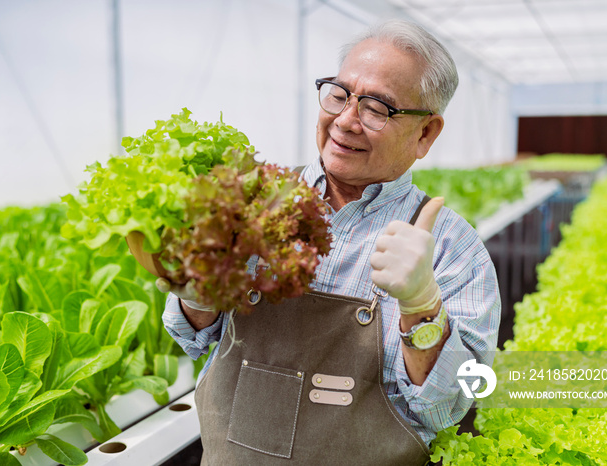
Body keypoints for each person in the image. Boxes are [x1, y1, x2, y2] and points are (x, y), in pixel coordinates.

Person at [160, 19, 500, 465]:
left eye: (377, 108)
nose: (345, 120)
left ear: (426, 133)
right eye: (339, 95)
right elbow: (192, 338)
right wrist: (198, 291)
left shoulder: (454, 249)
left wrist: (421, 305)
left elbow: (445, 408)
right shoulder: (252, 200)